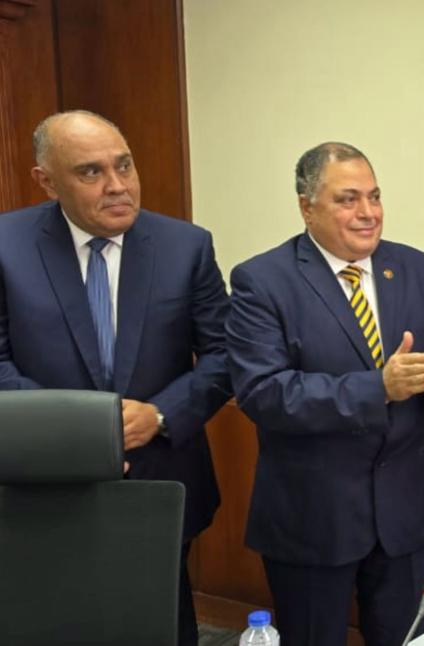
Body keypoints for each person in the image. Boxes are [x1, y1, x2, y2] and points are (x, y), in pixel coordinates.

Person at [226, 142, 424, 646]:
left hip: (404, 518)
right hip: (313, 518)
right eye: (348, 199)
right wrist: (380, 387)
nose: (368, 213)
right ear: (306, 207)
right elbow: (263, 393)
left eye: (375, 196)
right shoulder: (262, 281)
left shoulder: (422, 270)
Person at [0, 110, 231, 646]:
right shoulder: (7, 246)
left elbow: (225, 355)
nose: (117, 186)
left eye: (124, 165)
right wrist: (78, 431)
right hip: (43, 484)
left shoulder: (186, 246)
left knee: (164, 624)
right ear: (46, 181)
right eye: (91, 172)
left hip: (159, 475)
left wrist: (161, 413)